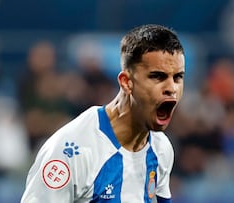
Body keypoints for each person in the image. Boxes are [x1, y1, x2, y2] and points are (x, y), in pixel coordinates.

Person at [21, 24, 185, 203]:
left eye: (178, 77)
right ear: (126, 82)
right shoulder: (70, 152)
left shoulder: (161, 149)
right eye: (157, 76)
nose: (171, 88)